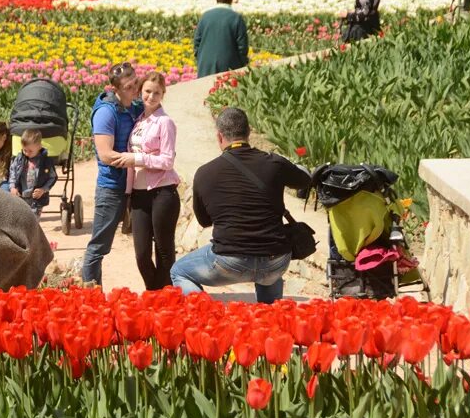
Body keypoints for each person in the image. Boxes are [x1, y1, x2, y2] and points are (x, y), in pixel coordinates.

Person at [170, 107, 311, 303]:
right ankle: (269, 316)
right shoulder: (274, 163)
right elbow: (305, 180)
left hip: (229, 261)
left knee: (179, 271)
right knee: (271, 271)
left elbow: (204, 221)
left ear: (220, 137)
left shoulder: (205, 173)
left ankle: (206, 317)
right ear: (248, 132)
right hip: (274, 260)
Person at [115, 72, 180, 290]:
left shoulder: (165, 122)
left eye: (157, 93)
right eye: (148, 91)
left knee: (163, 250)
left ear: (163, 94)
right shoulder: (139, 121)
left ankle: (163, 297)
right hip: (139, 193)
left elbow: (168, 160)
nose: (151, 96)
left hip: (162, 191)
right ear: (141, 91)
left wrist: (137, 158)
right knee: (142, 254)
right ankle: (155, 293)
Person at [81, 62, 144, 286]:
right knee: (99, 246)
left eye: (136, 82)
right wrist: (138, 160)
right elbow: (106, 155)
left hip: (133, 184)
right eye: (129, 87)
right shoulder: (106, 112)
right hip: (112, 187)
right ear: (115, 89)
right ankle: (90, 293)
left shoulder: (133, 106)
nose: (135, 89)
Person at [193, 0, 248, 77]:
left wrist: (201, 60)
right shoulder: (236, 18)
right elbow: (242, 48)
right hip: (229, 67)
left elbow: (196, 43)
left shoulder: (205, 16)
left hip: (205, 66)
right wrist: (242, 65)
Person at [9, 129, 58, 217]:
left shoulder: (46, 162)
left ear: (39, 146)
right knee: (19, 220)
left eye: (30, 151)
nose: (27, 153)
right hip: (20, 196)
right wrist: (13, 186)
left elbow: (53, 177)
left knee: (32, 222)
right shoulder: (20, 159)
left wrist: (43, 189)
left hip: (36, 199)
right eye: (24, 150)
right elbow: (13, 171)